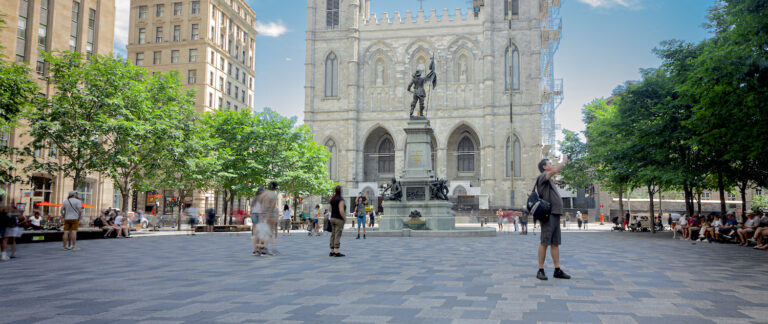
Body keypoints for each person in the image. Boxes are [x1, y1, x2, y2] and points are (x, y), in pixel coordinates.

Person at [535, 157, 571, 281]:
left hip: (555, 213)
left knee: (555, 243)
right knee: (545, 242)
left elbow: (554, 171)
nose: (552, 165)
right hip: (547, 214)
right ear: (544, 167)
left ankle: (557, 270)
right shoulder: (542, 177)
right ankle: (540, 270)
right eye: (550, 163)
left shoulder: (549, 179)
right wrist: (564, 160)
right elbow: (555, 170)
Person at [259, 181, 279, 255]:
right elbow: (272, 206)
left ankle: (259, 248)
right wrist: (268, 214)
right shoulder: (273, 194)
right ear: (275, 187)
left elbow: (260, 202)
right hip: (270, 215)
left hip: (263, 213)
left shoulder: (265, 193)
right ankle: (264, 249)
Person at [329, 185, 346, 257]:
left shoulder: (332, 199)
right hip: (339, 219)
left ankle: (331, 251)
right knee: (337, 235)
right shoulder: (340, 199)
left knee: (333, 234)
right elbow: (341, 210)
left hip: (332, 218)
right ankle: (336, 251)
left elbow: (330, 209)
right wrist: (344, 218)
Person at [251, 188, 266, 255]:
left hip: (253, 215)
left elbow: (252, 208)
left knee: (255, 233)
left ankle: (255, 249)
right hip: (260, 215)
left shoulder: (254, 198)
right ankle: (259, 248)